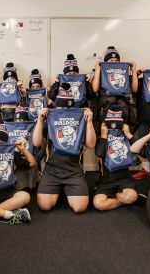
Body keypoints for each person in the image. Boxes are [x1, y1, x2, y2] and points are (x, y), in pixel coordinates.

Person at [34, 83, 96, 213]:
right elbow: (36, 143)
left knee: (80, 208)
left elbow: (91, 145)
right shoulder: (50, 117)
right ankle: (59, 190)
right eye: (61, 106)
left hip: (73, 169)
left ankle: (66, 189)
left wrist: (89, 121)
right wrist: (40, 120)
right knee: (44, 206)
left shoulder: (80, 118)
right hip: (52, 169)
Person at [93, 107, 142, 211]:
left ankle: (124, 198)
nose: (114, 127)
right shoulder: (102, 137)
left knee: (130, 197)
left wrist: (128, 134)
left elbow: (140, 149)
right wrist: (103, 136)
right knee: (99, 204)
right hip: (107, 180)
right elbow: (99, 153)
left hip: (125, 178)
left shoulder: (125, 135)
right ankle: (123, 200)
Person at [92, 46, 138, 135]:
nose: (114, 63)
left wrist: (134, 70)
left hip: (123, 109)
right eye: (111, 61)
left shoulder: (123, 73)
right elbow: (95, 89)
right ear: (105, 63)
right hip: (105, 108)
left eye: (116, 61)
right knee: (106, 134)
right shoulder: (102, 74)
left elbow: (134, 90)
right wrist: (98, 70)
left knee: (121, 135)